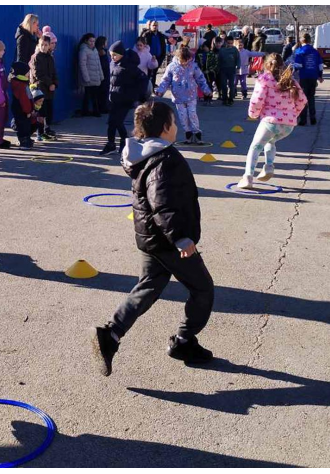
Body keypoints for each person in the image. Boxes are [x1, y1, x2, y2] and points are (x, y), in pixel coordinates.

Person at [91, 100, 215, 377]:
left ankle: (110, 335)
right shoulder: (165, 160)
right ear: (166, 127)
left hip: (151, 238)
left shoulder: (144, 153)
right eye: (175, 121)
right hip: (167, 241)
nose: (178, 126)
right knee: (203, 289)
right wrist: (182, 239)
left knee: (149, 287)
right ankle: (184, 341)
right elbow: (163, 204)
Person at [237, 53, 307, 189]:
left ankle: (247, 177)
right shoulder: (290, 80)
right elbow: (302, 100)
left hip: (270, 121)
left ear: (266, 65)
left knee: (255, 147)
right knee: (271, 141)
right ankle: (268, 166)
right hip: (288, 125)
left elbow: (257, 100)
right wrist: (293, 114)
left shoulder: (265, 80)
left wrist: (253, 114)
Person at [99, 41, 147, 156]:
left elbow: (143, 80)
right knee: (112, 122)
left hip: (125, 100)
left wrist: (139, 97)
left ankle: (120, 143)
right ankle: (114, 144)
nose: (112, 57)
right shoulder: (113, 64)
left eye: (115, 55)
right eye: (111, 55)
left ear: (121, 54)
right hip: (114, 98)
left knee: (117, 122)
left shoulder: (129, 66)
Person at [155, 47, 211, 144]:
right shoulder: (172, 67)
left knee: (192, 114)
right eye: (182, 61)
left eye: (187, 60)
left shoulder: (193, 66)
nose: (184, 63)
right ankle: (188, 133)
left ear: (190, 58)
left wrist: (206, 90)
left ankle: (197, 133)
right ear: (178, 57)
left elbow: (200, 79)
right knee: (183, 117)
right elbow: (165, 80)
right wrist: (160, 90)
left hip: (191, 96)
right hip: (178, 97)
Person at [30, 35, 58, 141]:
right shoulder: (36, 57)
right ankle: (39, 133)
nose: (43, 47)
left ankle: (46, 130)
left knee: (48, 111)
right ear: (38, 45)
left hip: (49, 90)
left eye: (46, 45)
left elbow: (54, 72)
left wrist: (55, 83)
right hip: (39, 89)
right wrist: (50, 83)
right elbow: (38, 74)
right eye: (41, 44)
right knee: (40, 112)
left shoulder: (50, 57)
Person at [292, 33, 323, 126]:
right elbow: (320, 65)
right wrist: (320, 75)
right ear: (310, 40)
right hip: (313, 77)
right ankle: (313, 118)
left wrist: (293, 70)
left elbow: (298, 65)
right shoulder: (315, 52)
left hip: (304, 77)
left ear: (301, 41)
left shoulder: (299, 51)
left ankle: (303, 119)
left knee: (303, 98)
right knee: (311, 97)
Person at [10, 62, 35, 150]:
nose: (29, 74)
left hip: (22, 109)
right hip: (21, 109)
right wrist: (28, 111)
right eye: (28, 72)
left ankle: (26, 139)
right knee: (23, 126)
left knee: (26, 125)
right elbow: (24, 100)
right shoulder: (21, 85)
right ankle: (24, 142)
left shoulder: (21, 82)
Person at [78, 33, 104, 117]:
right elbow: (82, 65)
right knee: (89, 96)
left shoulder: (94, 50)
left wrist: (101, 75)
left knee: (93, 95)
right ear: (86, 41)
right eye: (90, 41)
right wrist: (86, 77)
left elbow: (98, 63)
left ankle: (89, 111)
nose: (92, 43)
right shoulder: (84, 50)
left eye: (94, 41)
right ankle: (92, 111)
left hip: (95, 76)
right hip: (89, 77)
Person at [235, 36, 266, 100]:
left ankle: (244, 93)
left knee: (243, 81)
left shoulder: (246, 52)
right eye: (239, 45)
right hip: (235, 69)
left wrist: (263, 54)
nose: (240, 47)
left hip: (243, 69)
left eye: (241, 45)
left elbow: (254, 53)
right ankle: (233, 92)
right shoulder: (234, 51)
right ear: (235, 45)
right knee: (234, 82)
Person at [142, 21, 167, 88]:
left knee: (154, 74)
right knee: (148, 73)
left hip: (158, 57)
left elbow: (163, 46)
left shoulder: (160, 35)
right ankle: (146, 89)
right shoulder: (146, 34)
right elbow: (142, 44)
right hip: (149, 57)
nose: (154, 26)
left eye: (156, 25)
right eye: (153, 25)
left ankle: (152, 88)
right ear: (150, 26)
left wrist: (162, 56)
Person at [217, 36, 240, 105]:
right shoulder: (222, 50)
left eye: (231, 43)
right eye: (228, 43)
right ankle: (224, 98)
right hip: (223, 69)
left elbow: (238, 59)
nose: (230, 44)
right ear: (225, 42)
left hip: (232, 69)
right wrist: (218, 68)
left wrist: (238, 67)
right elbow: (219, 60)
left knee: (231, 85)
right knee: (223, 84)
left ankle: (231, 98)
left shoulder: (234, 49)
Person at [95, 36, 111, 113]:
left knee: (101, 92)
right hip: (103, 73)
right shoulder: (101, 52)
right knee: (104, 91)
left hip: (103, 73)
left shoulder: (98, 51)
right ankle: (104, 107)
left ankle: (102, 107)